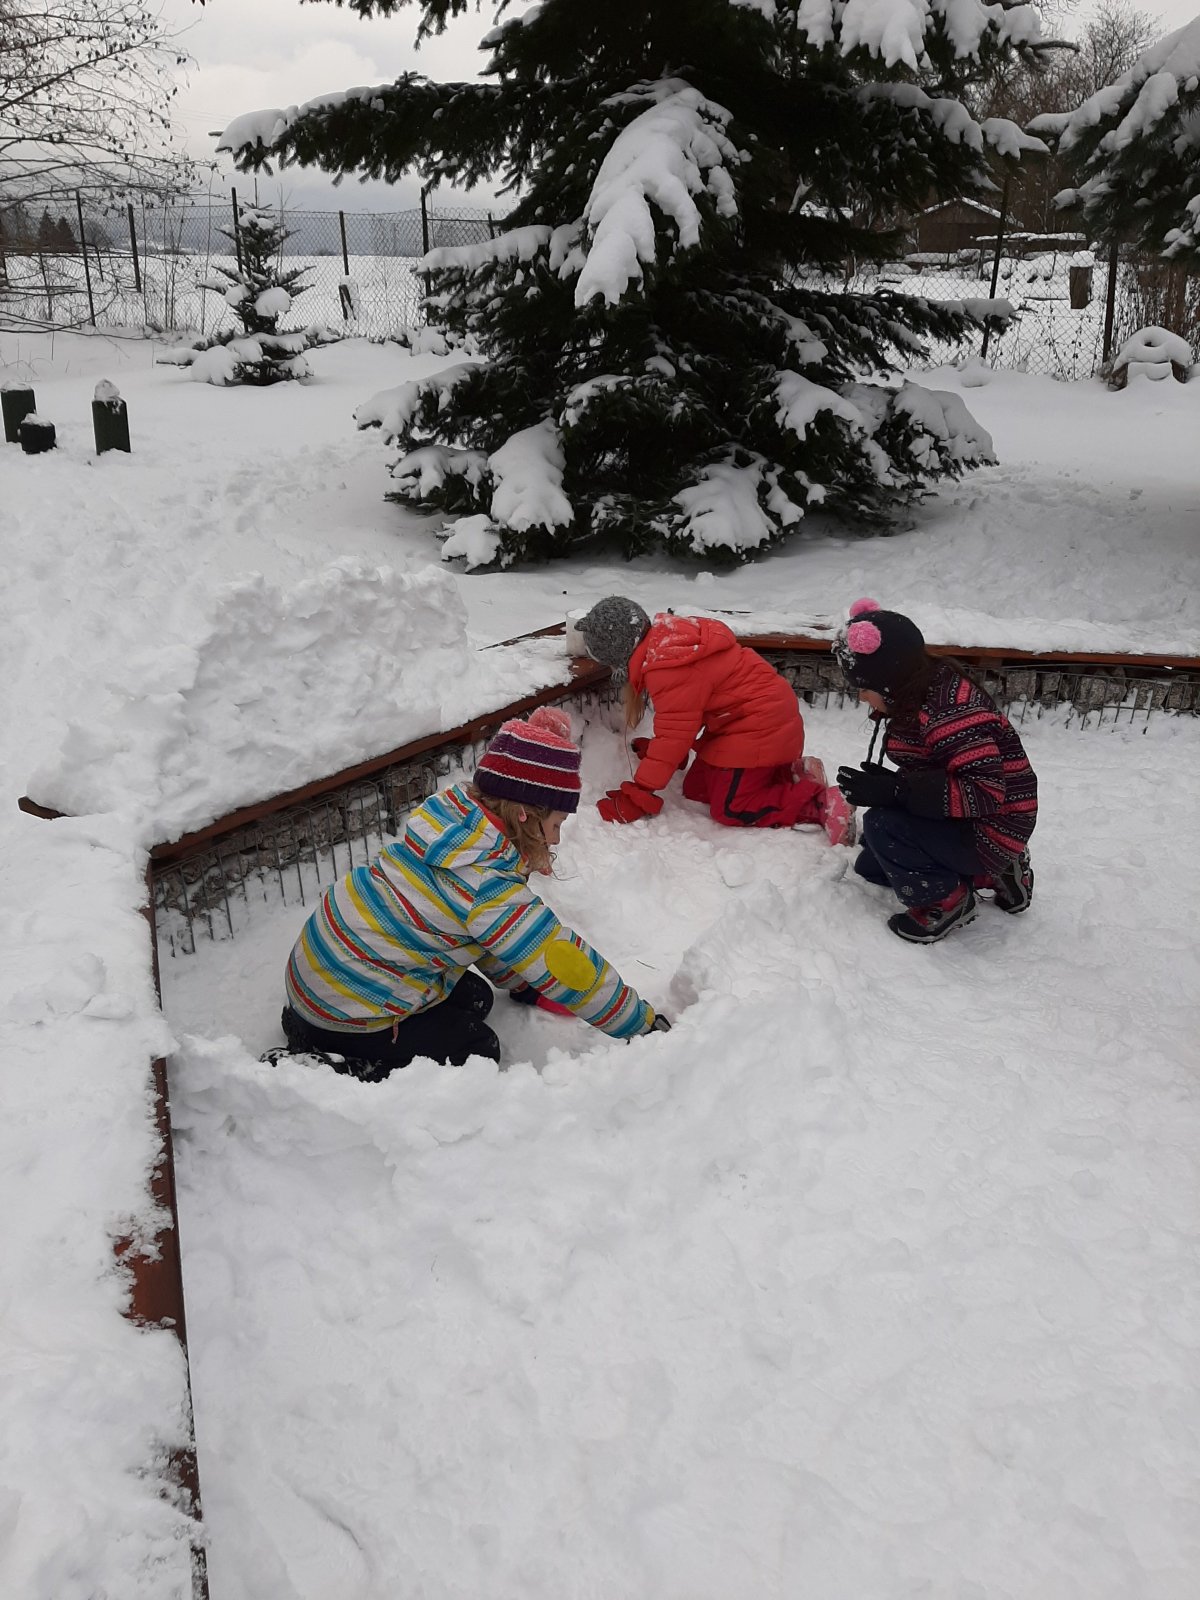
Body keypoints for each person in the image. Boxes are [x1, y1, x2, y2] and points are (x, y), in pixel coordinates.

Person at [274, 706, 668, 1077]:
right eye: (557, 823)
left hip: (325, 978)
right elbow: (563, 963)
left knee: (476, 997)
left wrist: (525, 985)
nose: (557, 838)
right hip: (347, 1011)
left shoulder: (458, 827)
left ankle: (316, 1027)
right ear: (525, 814)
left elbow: (487, 934)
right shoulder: (484, 884)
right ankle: (336, 1065)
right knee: (476, 1050)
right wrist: (641, 1025)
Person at [833, 599, 1038, 944]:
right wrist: (894, 785)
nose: (862, 697)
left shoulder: (950, 714)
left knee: (883, 826)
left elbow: (985, 793)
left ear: (889, 682)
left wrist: (898, 791)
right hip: (968, 818)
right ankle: (991, 873)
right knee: (873, 866)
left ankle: (946, 902)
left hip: (992, 824)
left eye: (864, 688)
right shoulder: (920, 690)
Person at [575, 596, 855, 844]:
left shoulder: (666, 668)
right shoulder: (670, 644)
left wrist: (640, 793)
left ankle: (819, 803)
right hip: (748, 723)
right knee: (697, 790)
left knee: (732, 807)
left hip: (760, 727)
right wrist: (666, 751)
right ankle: (787, 775)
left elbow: (674, 736)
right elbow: (684, 720)